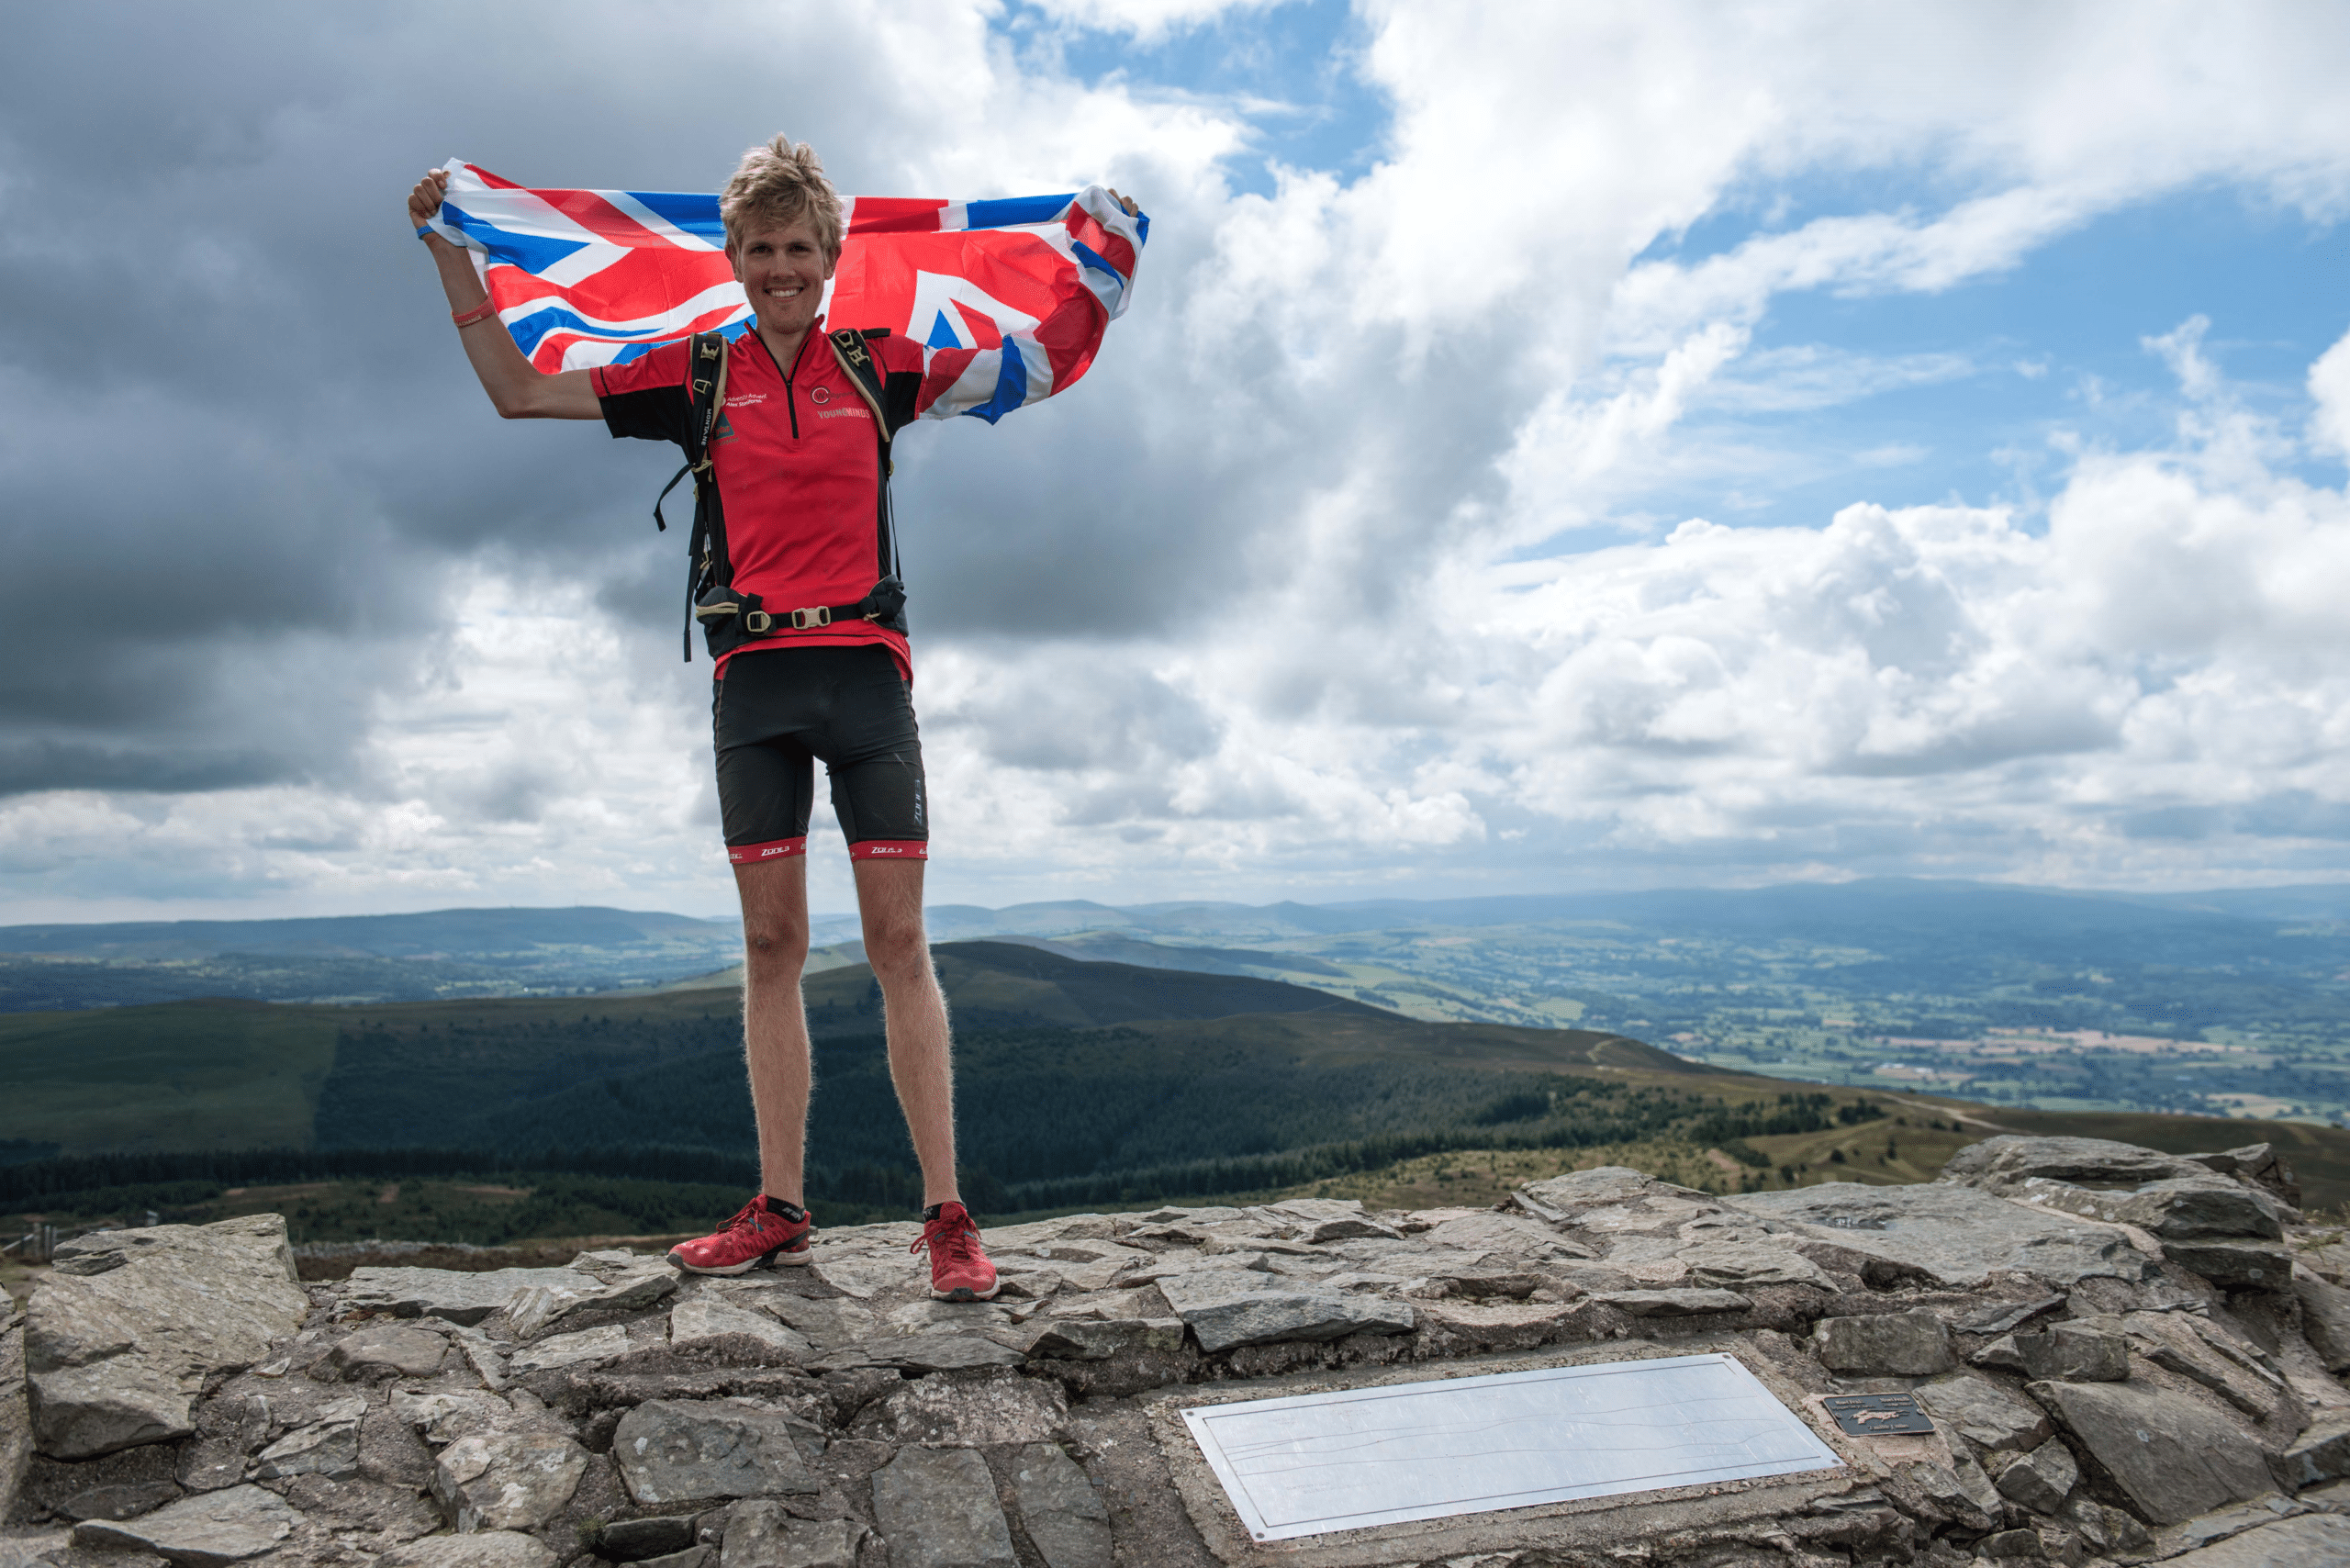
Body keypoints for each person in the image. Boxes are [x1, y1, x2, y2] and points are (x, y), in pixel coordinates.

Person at [407, 137, 1137, 1301]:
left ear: (832, 255)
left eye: (799, 248)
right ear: (732, 257)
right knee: (770, 948)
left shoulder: (878, 363)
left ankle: (948, 1217)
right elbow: (520, 389)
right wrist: (451, 253)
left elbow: (1032, 366)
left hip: (864, 676)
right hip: (752, 680)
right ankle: (783, 1207)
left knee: (899, 944)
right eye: (760, 250)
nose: (781, 268)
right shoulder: (696, 372)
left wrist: (1104, 254)